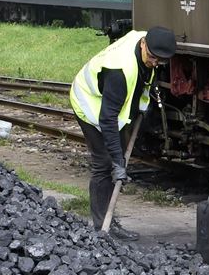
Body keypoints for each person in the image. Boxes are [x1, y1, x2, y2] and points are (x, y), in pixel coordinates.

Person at [69, 25, 176, 240]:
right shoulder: (119, 70)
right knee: (104, 163)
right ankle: (102, 227)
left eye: (161, 61)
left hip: (110, 109)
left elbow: (144, 79)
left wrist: (143, 106)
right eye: (153, 57)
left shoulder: (147, 44)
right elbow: (107, 119)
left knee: (114, 160)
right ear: (143, 44)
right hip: (89, 104)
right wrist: (118, 162)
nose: (155, 63)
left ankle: (109, 222)